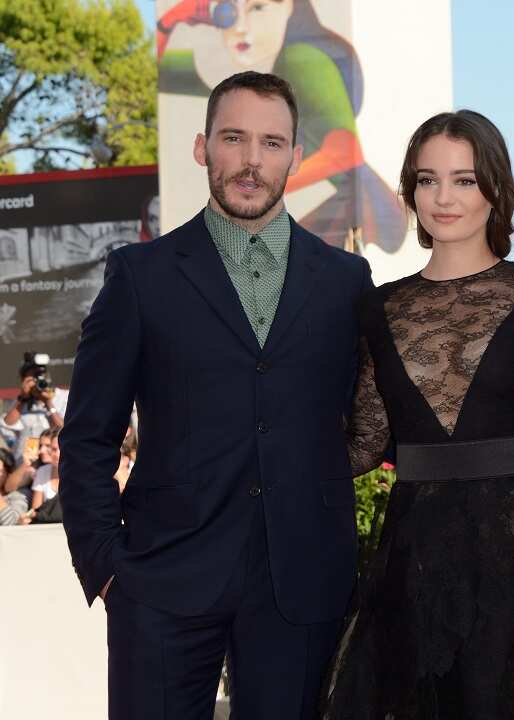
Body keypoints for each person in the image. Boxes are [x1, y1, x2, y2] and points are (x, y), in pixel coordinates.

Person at [60, 71, 373, 719]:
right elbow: (87, 437)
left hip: (303, 586)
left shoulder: (347, 282)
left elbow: (366, 417)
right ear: (204, 148)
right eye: (234, 138)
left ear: (294, 154)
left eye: (271, 142)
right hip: (161, 584)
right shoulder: (139, 279)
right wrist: (109, 567)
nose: (252, 161)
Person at [321, 110, 514, 720]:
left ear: (496, 188)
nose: (444, 197)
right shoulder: (377, 311)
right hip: (413, 567)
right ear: (411, 192)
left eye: (464, 179)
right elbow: (361, 445)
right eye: (428, 180)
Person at [157, 0, 406, 251]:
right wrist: (172, 19)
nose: (240, 28)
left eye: (257, 8)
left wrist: (261, 181)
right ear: (201, 148)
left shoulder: (302, 58)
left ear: (290, 7)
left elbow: (343, 150)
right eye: (228, 13)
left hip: (341, 211)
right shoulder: (241, 71)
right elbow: (165, 69)